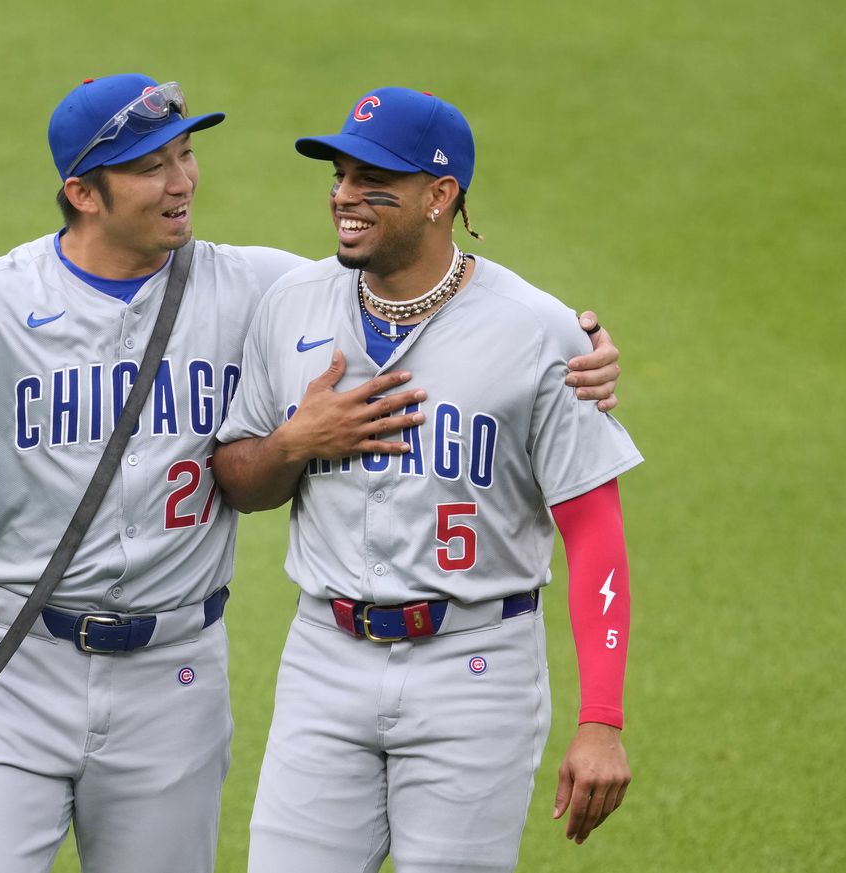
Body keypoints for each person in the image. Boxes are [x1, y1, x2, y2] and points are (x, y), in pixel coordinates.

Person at [0, 75, 622, 873]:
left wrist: (577, 342)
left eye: (187, 153)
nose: (182, 181)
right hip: (17, 658)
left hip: (174, 681)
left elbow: (417, 285)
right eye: (151, 166)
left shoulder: (258, 285)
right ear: (83, 192)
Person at [212, 86, 643, 873]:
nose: (344, 194)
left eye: (373, 178)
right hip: (324, 657)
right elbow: (240, 482)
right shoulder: (291, 305)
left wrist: (602, 717)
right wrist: (296, 440)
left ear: (441, 195)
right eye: (340, 173)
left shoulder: (538, 331)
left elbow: (596, 533)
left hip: (475, 669)